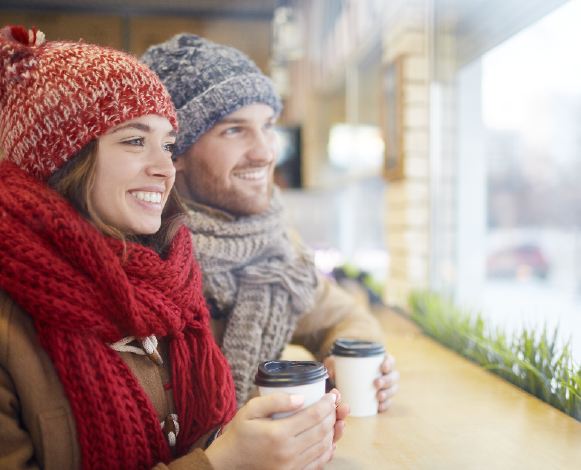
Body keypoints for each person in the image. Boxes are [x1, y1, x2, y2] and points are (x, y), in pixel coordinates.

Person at [0, 25, 347, 470]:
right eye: (134, 140)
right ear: (62, 157)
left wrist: (278, 444)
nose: (166, 167)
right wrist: (223, 463)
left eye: (167, 144)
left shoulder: (167, 281)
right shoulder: (15, 318)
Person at [141, 34, 401, 409]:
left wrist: (349, 366)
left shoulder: (275, 250)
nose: (265, 152)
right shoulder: (139, 254)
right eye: (234, 130)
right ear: (173, 151)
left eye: (267, 126)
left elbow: (345, 318)